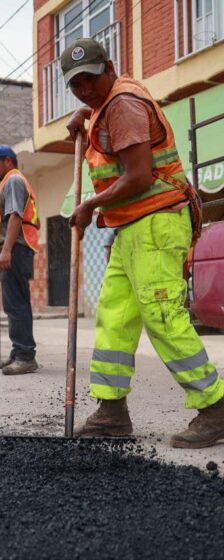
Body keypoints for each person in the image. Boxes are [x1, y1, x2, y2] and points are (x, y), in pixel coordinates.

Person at [61, 38, 224, 448]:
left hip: (156, 223)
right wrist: (85, 111)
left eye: (90, 80)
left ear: (110, 68)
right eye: (75, 84)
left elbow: (139, 176)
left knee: (164, 317)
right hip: (131, 228)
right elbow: (100, 110)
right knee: (114, 318)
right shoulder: (107, 102)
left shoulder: (122, 105)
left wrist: (89, 205)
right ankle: (112, 411)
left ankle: (216, 408)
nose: (84, 88)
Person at [0, 145, 39, 375]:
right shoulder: (14, 181)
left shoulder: (13, 180)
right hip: (16, 249)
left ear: (8, 161)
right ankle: (19, 352)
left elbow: (15, 216)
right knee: (16, 303)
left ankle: (25, 356)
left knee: (16, 304)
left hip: (15, 250)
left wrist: (6, 251)